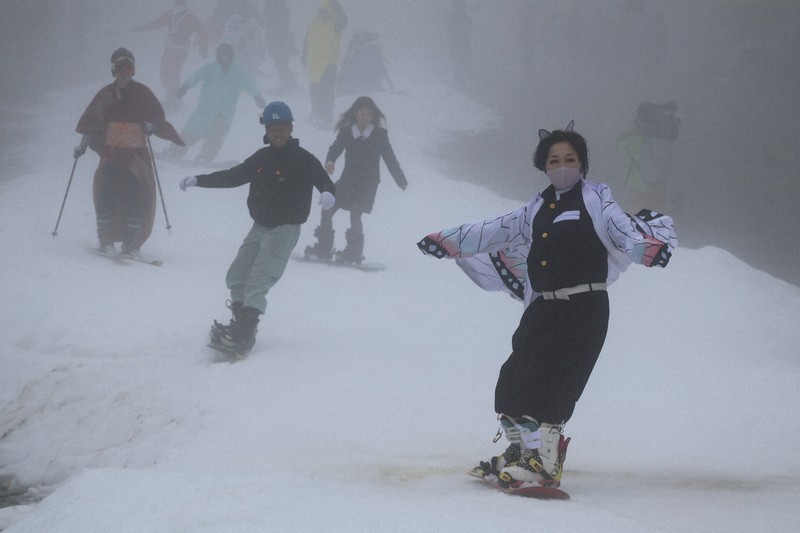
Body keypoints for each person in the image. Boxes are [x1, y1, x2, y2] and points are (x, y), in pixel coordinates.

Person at [417, 122, 676, 490]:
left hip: (583, 306)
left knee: (553, 384)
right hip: (544, 307)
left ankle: (545, 462)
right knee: (515, 379)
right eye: (555, 160)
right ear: (544, 166)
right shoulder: (538, 206)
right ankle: (521, 452)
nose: (563, 166)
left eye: (570, 159)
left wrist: (646, 249)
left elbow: (622, 230)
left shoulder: (596, 198)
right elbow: (498, 229)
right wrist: (448, 241)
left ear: (582, 164)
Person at [178, 101, 336, 356]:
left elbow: (324, 182)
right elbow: (234, 176)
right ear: (266, 129)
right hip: (260, 226)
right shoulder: (262, 157)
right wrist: (199, 180)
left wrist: (328, 194)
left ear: (291, 127)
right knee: (237, 274)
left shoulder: (303, 159)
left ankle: (244, 336)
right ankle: (238, 326)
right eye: (272, 127)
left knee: (259, 278)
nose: (277, 132)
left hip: (285, 228)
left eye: (282, 126)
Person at [74, 47, 184, 259]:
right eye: (120, 69)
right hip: (112, 153)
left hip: (136, 156)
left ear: (133, 70)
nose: (124, 73)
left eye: (129, 69)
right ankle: (105, 240)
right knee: (106, 192)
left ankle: (132, 243)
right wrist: (83, 145)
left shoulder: (143, 93)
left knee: (137, 196)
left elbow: (156, 119)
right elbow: (91, 123)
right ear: (113, 70)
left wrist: (151, 127)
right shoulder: (105, 95)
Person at [304, 96, 407, 264]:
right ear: (356, 114)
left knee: (355, 214)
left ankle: (354, 252)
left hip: (368, 183)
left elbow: (390, 158)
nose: (365, 118)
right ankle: (324, 247)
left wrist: (400, 180)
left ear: (373, 116)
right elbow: (335, 148)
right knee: (327, 208)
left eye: (369, 115)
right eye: (362, 114)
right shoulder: (347, 132)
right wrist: (330, 161)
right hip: (347, 180)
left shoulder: (380, 135)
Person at [164, 43, 266, 163]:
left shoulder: (238, 72)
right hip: (205, 109)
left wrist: (257, 97)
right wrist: (185, 87)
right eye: (222, 53)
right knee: (191, 132)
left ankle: (205, 157)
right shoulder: (210, 67)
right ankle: (174, 151)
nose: (224, 56)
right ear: (218, 54)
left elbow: (250, 85)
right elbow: (196, 76)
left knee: (217, 136)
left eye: (227, 53)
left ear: (232, 55)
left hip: (224, 112)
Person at [132, 0, 208, 110]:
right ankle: (173, 97)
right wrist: (143, 27)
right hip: (169, 46)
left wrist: (203, 47)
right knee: (164, 72)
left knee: (172, 72)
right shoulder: (171, 12)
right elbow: (157, 22)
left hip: (180, 48)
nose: (178, 3)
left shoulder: (191, 17)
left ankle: (174, 100)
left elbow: (201, 31)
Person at [617, 100, 680, 213]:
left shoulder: (633, 139)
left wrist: (638, 127)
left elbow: (619, 141)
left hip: (638, 188)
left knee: (639, 225)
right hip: (660, 188)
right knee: (657, 224)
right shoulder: (664, 139)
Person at [302, 0, 348, 127]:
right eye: (321, 13)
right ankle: (316, 113)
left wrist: (334, 4)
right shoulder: (315, 24)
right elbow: (308, 38)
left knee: (326, 91)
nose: (323, 15)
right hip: (315, 64)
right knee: (314, 89)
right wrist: (304, 54)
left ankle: (326, 118)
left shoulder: (335, 24)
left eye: (326, 13)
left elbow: (344, 19)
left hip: (329, 64)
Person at [261, 0, 300, 93]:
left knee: (281, 64)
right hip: (279, 41)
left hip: (280, 41)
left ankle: (288, 85)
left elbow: (278, 27)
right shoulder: (275, 9)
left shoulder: (277, 10)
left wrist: (274, 38)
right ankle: (290, 84)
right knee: (280, 64)